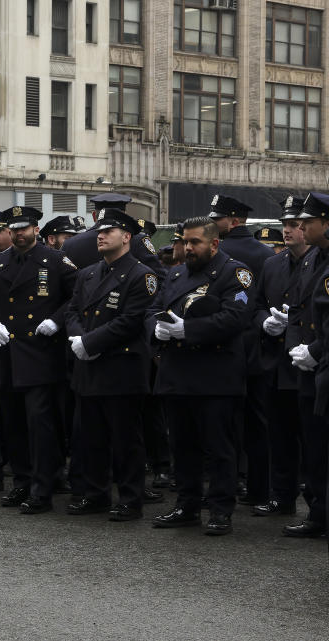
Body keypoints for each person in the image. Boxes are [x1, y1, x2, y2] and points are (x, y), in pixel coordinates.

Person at [148, 217, 254, 536]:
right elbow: (153, 307)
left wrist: (187, 329)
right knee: (182, 445)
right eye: (185, 241)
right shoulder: (177, 272)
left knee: (218, 448)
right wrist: (156, 330)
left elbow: (235, 318)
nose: (188, 248)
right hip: (177, 373)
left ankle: (221, 510)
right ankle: (187, 504)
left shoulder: (234, 273)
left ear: (214, 243)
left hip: (214, 374)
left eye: (195, 243)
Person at [0, 205, 78, 513]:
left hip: (40, 354)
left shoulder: (56, 261)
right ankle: (21, 481)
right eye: (14, 228)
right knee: (13, 425)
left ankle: (43, 488)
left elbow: (76, 298)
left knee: (40, 426)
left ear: (35, 229)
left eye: (24, 228)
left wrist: (57, 321)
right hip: (6, 353)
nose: (19, 233)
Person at [65, 209, 157, 521]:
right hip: (89, 368)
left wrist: (90, 343)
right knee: (90, 437)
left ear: (127, 237)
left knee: (125, 440)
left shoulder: (140, 275)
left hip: (121, 368)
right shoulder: (88, 273)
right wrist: (79, 339)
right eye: (99, 232)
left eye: (109, 232)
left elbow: (131, 320)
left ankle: (131, 499)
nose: (100, 236)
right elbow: (72, 312)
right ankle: (96, 493)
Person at [210, 194, 275, 507]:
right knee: (257, 423)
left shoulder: (217, 252)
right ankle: (260, 489)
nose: (212, 224)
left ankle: (226, 484)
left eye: (217, 219)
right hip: (257, 348)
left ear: (232, 221)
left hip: (224, 347)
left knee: (222, 423)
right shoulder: (266, 254)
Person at [252, 195, 310, 517]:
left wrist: (296, 325)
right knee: (280, 435)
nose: (287, 231)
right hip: (275, 362)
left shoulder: (319, 260)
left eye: (294, 225)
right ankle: (281, 496)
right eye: (285, 225)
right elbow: (258, 304)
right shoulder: (272, 264)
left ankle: (316, 503)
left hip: (306, 363)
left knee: (311, 439)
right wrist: (267, 323)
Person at [284, 192, 329, 538]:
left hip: (322, 360)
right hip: (308, 368)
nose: (301, 226)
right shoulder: (312, 257)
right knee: (312, 447)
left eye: (308, 221)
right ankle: (317, 510)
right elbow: (301, 306)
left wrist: (316, 348)